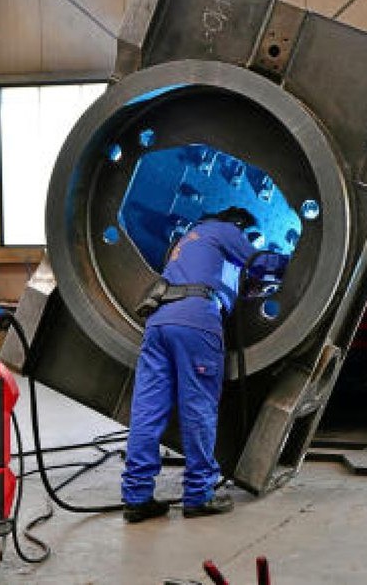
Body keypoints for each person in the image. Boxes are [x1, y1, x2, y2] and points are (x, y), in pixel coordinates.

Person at [121, 206, 289, 522]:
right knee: (197, 408)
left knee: (147, 410)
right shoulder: (224, 231)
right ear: (237, 224)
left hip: (158, 322)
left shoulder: (187, 241)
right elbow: (258, 262)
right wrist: (293, 263)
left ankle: (137, 497)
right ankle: (199, 495)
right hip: (196, 320)